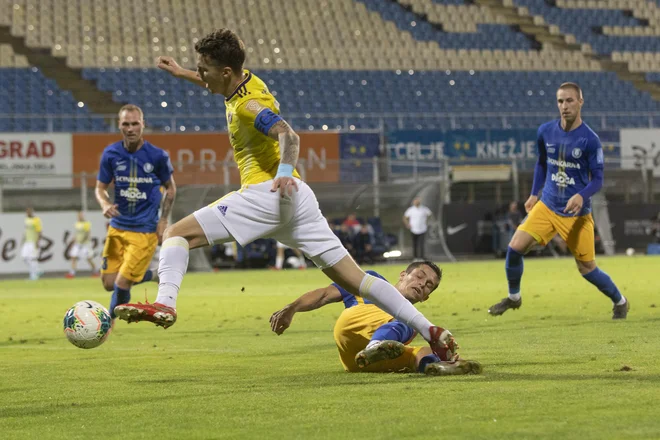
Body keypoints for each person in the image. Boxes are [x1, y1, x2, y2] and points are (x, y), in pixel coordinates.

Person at [114, 28, 457, 361]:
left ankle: (165, 304)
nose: (202, 75)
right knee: (359, 281)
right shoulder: (243, 81)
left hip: (269, 194)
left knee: (176, 234)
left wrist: (280, 174)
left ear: (226, 71)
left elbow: (289, 136)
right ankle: (432, 332)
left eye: (204, 69)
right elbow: (216, 84)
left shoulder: (248, 105)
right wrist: (181, 73)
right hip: (299, 200)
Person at [488, 82, 629, 320]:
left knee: (587, 269)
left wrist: (581, 195)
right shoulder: (545, 131)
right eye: (560, 101)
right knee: (514, 248)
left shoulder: (590, 140)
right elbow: (542, 163)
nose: (564, 106)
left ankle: (620, 301)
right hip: (547, 205)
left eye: (570, 100)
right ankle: (514, 298)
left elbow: (598, 180)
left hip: (576, 215)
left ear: (580, 102)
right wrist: (534, 193)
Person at [270, 261, 480, 375]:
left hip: (358, 363)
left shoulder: (414, 323)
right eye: (419, 276)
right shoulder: (371, 281)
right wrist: (293, 308)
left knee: (418, 351)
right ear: (402, 275)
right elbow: (325, 294)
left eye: (428, 286)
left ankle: (438, 367)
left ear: (426, 297)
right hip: (352, 324)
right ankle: (376, 345)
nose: (421, 284)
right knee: (407, 324)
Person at [95, 104, 177, 319]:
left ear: (143, 125)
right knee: (108, 283)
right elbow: (100, 188)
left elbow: (171, 188)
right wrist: (104, 204)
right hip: (117, 227)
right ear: (119, 125)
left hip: (145, 231)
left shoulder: (157, 156)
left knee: (122, 283)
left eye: (134, 124)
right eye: (125, 124)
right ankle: (152, 275)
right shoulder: (111, 154)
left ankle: (107, 323)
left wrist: (163, 220)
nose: (130, 128)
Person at [66, 211, 99, 278]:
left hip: (85, 244)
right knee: (73, 257)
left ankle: (96, 272)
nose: (79, 217)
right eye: (78, 215)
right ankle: (72, 273)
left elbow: (88, 233)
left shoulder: (86, 224)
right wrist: (73, 240)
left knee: (89, 259)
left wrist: (84, 240)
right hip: (77, 244)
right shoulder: (77, 224)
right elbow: (76, 234)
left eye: (81, 215)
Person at [21, 207, 42, 281]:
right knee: (24, 258)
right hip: (27, 242)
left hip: (33, 242)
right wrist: (23, 239)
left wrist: (37, 242)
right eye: (26, 212)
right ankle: (37, 270)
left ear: (32, 212)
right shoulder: (26, 220)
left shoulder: (36, 220)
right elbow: (26, 231)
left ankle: (33, 276)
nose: (27, 213)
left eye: (29, 211)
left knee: (32, 258)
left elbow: (39, 232)